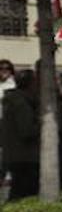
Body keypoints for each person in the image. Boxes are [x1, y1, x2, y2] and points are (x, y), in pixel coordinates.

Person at [1, 69, 40, 199]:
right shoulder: (21, 104)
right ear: (30, 84)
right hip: (24, 157)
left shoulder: (15, 100)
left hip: (17, 155)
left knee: (19, 191)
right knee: (22, 193)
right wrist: (43, 124)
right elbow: (27, 130)